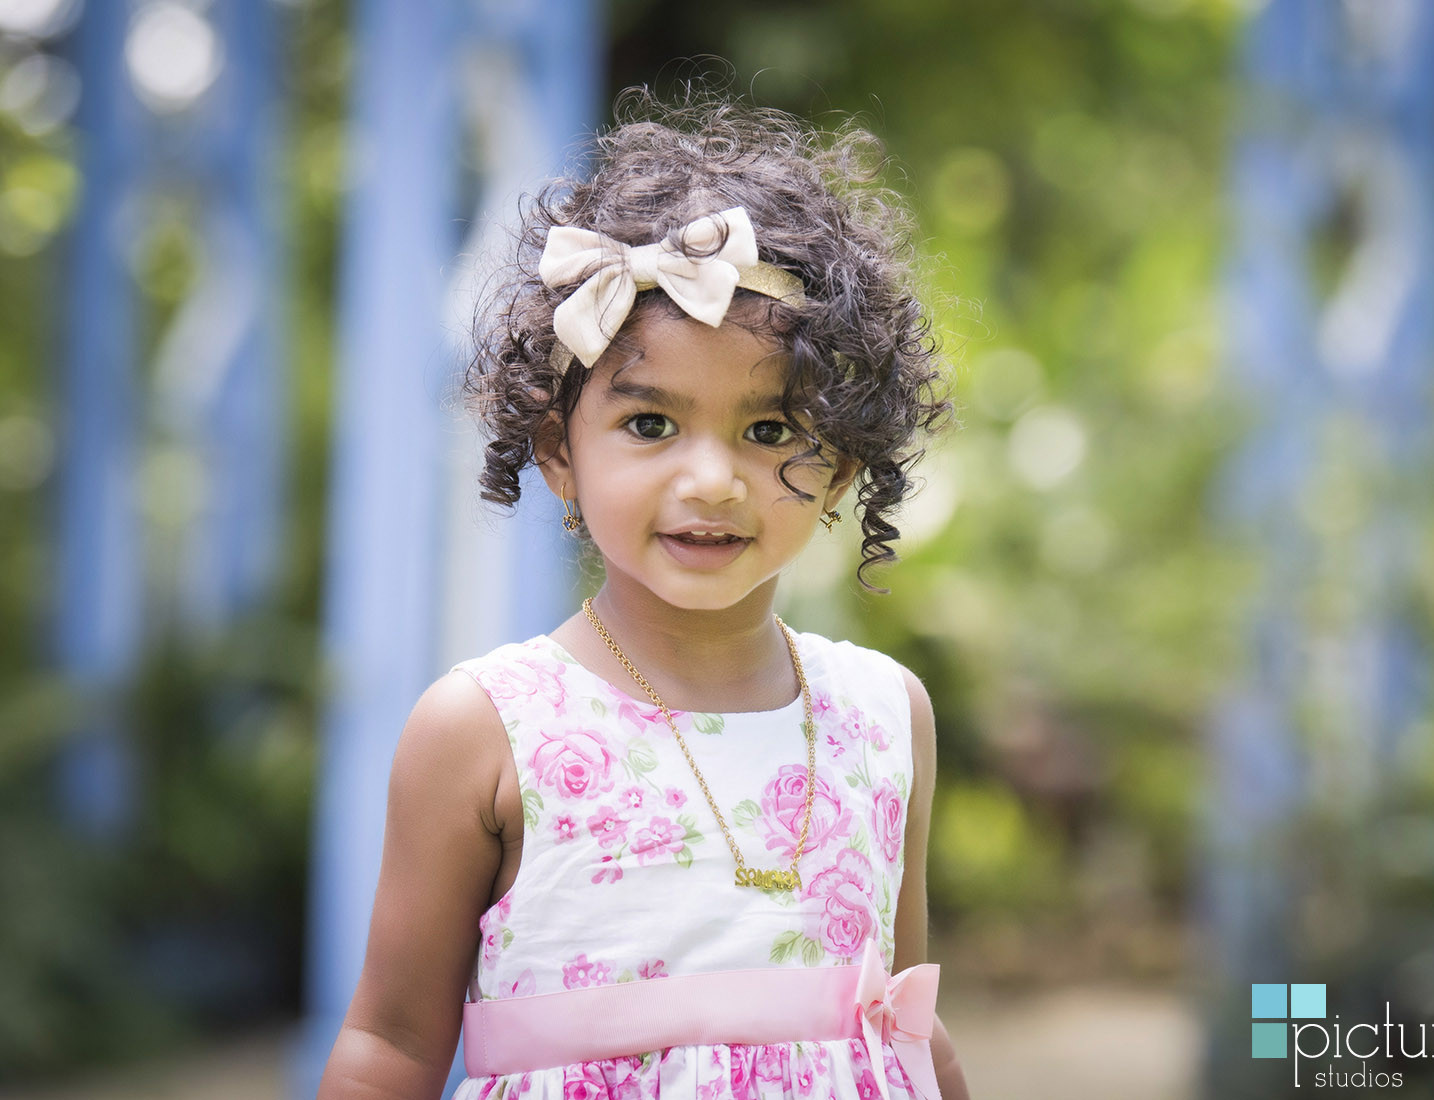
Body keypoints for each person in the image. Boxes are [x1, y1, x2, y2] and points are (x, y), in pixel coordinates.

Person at [318, 88, 969, 1100]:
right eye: (651, 424)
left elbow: (904, 1021)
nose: (709, 479)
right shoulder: (486, 727)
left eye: (767, 431)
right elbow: (392, 1045)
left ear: (841, 465)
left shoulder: (888, 715)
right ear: (556, 449)